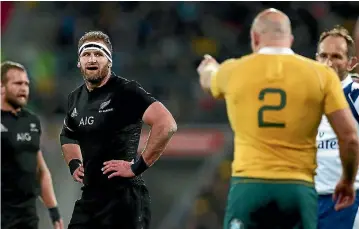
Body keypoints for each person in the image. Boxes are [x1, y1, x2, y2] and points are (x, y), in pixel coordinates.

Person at [197, 8, 359, 229]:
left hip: (249, 185)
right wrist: (348, 181)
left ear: (254, 38)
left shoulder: (234, 70)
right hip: (299, 189)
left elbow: (208, 80)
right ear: (290, 40)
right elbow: (350, 137)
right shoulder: (321, 76)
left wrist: (209, 67)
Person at [60, 31, 177, 229]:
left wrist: (136, 167)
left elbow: (166, 124)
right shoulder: (75, 98)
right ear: (79, 62)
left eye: (99, 54)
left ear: (109, 61)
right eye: (86, 54)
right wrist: (74, 163)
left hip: (124, 199)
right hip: (89, 199)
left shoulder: (126, 91)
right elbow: (68, 135)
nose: (92, 59)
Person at [1, 61, 64, 229]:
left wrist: (54, 211)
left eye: (26, 84)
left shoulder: (31, 122)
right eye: (17, 83)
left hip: (27, 217)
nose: (23, 88)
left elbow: (41, 171)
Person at [315, 26, 359, 229]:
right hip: (308, 199)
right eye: (323, 55)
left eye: (336, 56)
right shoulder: (305, 96)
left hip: (348, 201)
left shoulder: (356, 95)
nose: (328, 63)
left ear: (351, 63)